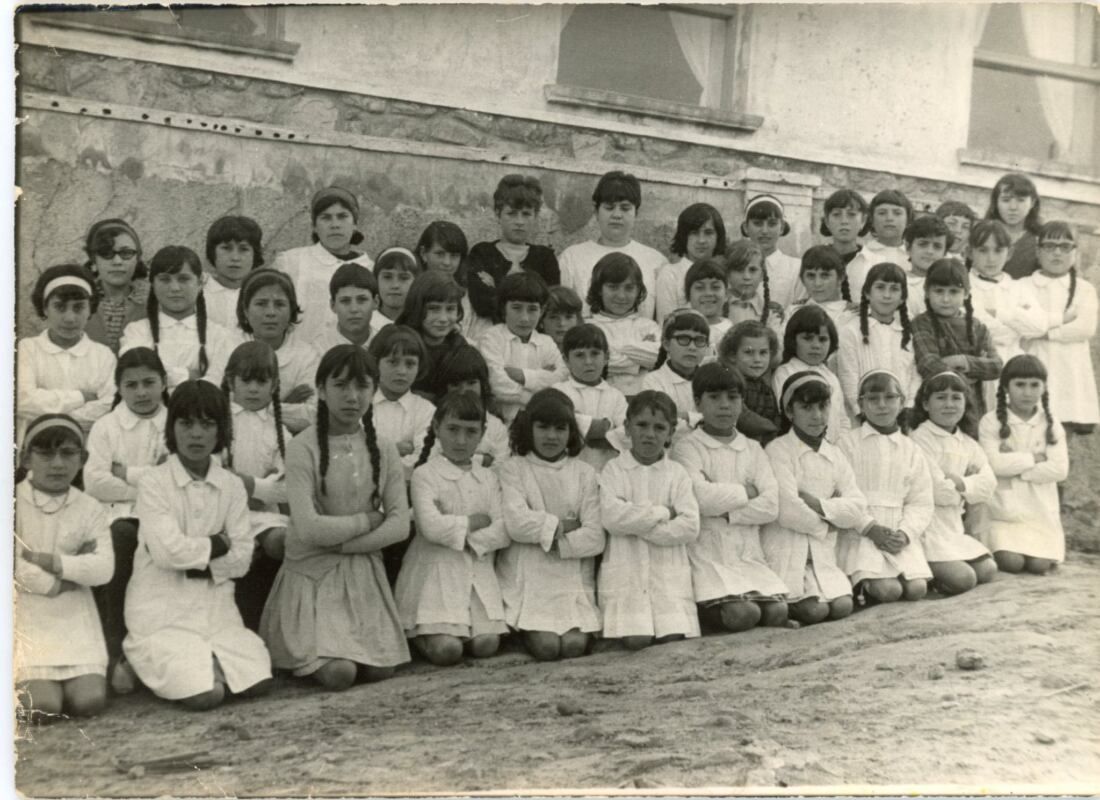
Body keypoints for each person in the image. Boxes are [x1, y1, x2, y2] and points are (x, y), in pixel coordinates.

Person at [260, 346, 411, 690]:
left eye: (362, 387)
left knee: (379, 671)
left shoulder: (383, 448)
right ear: (322, 389)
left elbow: (400, 524)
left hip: (362, 576)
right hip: (314, 576)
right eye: (341, 385)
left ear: (374, 391)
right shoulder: (302, 446)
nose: (352, 396)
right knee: (340, 673)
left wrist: (344, 547)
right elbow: (309, 528)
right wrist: (368, 521)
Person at [124, 381, 273, 710]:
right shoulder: (153, 482)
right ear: (172, 427)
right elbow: (166, 554)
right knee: (209, 694)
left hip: (216, 610)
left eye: (207, 425)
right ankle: (136, 661)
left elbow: (243, 558)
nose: (196, 434)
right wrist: (219, 543)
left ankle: (209, 663)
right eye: (186, 423)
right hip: (162, 610)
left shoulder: (232, 485)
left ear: (220, 431)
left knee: (258, 680)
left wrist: (198, 560)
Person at [670, 363, 788, 632]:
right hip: (708, 551)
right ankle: (707, 612)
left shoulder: (752, 448)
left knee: (778, 611)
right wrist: (746, 492)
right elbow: (699, 499)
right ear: (698, 402)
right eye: (714, 398)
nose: (724, 406)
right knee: (742, 615)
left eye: (733, 398)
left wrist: (728, 511)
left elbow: (770, 505)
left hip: (745, 549)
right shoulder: (687, 447)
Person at [396, 390, 511, 666]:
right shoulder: (425, 474)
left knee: (486, 644)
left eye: (471, 432)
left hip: (475, 569)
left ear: (482, 433)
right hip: (436, 573)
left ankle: (469, 628)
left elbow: (503, 529)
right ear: (436, 427)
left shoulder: (488, 478)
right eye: (453, 430)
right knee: (448, 651)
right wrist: (471, 522)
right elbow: (431, 527)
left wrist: (469, 539)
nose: (461, 440)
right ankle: (421, 635)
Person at [15, 414, 114, 721]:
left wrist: (52, 561)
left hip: (75, 615)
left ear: (82, 459)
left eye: (68, 453)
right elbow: (13, 568)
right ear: (27, 458)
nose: (57, 464)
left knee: (89, 702)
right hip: (26, 615)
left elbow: (103, 569)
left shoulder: (90, 508)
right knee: (44, 706)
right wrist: (63, 578)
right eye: (46, 454)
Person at [84, 348, 171, 693]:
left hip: (170, 515)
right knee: (123, 537)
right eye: (131, 385)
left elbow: (181, 475)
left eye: (149, 383)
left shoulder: (176, 420)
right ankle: (116, 643)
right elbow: (95, 482)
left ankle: (162, 652)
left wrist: (130, 475)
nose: (141, 392)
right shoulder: (107, 427)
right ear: (119, 388)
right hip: (120, 516)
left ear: (164, 382)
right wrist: (153, 482)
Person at [498, 389, 604, 660]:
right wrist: (566, 525)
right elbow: (517, 524)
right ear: (529, 428)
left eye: (560, 428)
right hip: (529, 571)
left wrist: (548, 535)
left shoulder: (584, 473)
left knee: (573, 646)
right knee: (548, 648)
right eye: (542, 427)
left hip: (570, 572)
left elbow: (594, 536)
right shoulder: (513, 469)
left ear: (571, 432)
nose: (551, 436)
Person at [598, 390, 701, 650]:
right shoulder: (614, 470)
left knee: (672, 637)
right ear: (627, 427)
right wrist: (663, 513)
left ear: (670, 432)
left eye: (659, 427)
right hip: (627, 568)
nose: (650, 434)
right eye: (642, 425)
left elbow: (690, 526)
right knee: (637, 639)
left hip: (667, 571)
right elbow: (612, 518)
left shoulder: (676, 473)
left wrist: (636, 524)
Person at [761, 373, 865, 625]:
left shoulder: (835, 454)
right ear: (789, 411)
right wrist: (828, 522)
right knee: (815, 611)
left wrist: (817, 503)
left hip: (822, 549)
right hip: (788, 545)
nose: (816, 415)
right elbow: (787, 508)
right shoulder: (778, 450)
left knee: (842, 606)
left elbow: (857, 507)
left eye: (822, 406)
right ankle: (788, 610)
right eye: (806, 407)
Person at [835, 370, 933, 605]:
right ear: (860, 403)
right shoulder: (847, 444)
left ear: (901, 402)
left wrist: (906, 533)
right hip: (862, 531)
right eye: (873, 399)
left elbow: (920, 500)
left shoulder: (911, 449)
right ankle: (863, 585)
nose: (882, 405)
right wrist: (870, 528)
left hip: (897, 530)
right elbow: (841, 495)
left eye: (889, 398)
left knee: (917, 588)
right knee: (889, 591)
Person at [220, 342, 291, 632]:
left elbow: (285, 487)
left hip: (264, 517)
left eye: (262, 382)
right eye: (245, 380)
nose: (253, 389)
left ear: (274, 385)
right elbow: (217, 475)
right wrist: (258, 486)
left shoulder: (279, 431)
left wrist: (247, 485)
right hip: (222, 514)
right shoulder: (219, 420)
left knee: (283, 541)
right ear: (230, 380)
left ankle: (276, 625)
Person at [909, 371, 999, 595]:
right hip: (928, 529)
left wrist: (959, 481)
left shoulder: (967, 442)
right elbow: (939, 493)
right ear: (925, 404)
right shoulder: (918, 440)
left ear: (965, 403)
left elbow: (989, 485)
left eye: (956, 398)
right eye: (941, 397)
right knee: (964, 579)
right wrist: (969, 486)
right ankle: (925, 571)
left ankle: (942, 571)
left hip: (953, 527)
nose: (949, 404)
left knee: (988, 569)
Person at [978, 355, 1068, 575]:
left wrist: (1016, 468)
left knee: (1039, 566)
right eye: (1020, 385)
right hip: (1003, 511)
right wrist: (1032, 458)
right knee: (1012, 563)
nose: (1027, 392)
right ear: (1006, 386)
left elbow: (1059, 470)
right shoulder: (991, 421)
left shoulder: (1051, 423)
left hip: (1040, 511)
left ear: (1044, 387)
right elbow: (994, 464)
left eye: (1034, 385)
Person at [18, 263, 116, 442]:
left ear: (90, 309)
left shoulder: (103, 356)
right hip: (36, 448)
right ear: (45, 308)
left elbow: (109, 405)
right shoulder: (27, 349)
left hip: (89, 450)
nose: (70, 318)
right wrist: (80, 397)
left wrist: (49, 415)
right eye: (60, 307)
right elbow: (21, 399)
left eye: (78, 307)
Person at [119, 245, 235, 391]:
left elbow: (217, 384)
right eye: (165, 280)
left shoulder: (220, 336)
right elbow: (136, 369)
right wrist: (187, 375)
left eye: (183, 279)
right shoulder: (136, 331)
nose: (174, 288)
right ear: (152, 284)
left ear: (200, 283)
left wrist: (165, 376)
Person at [1020, 221, 1099, 434]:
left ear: (1075, 252)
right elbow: (1023, 325)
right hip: (1034, 365)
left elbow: (1085, 328)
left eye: (1065, 247)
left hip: (1070, 372)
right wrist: (1058, 323)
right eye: (1049, 246)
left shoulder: (1084, 290)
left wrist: (1046, 331)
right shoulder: (1023, 286)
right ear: (1038, 251)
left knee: (1064, 436)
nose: (1057, 253)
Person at [911, 258, 1002, 436]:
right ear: (927, 292)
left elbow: (997, 366)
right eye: (939, 291)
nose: (945, 299)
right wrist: (968, 377)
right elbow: (929, 364)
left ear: (966, 294)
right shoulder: (922, 323)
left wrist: (963, 361)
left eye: (953, 292)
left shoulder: (977, 327)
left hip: (973, 408)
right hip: (935, 408)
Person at [273, 186, 373, 343]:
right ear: (314, 226)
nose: (335, 225)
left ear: (355, 224)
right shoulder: (291, 262)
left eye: (342, 217)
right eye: (326, 218)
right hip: (303, 359)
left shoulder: (370, 268)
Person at [967, 220, 1047, 414]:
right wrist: (1016, 324)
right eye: (983, 250)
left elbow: (1039, 326)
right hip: (977, 362)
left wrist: (1001, 313)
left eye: (998, 250)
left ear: (1009, 253)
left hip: (1012, 363)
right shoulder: (965, 285)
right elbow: (975, 326)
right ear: (969, 253)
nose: (991, 258)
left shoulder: (1019, 288)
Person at [559, 170, 663, 319]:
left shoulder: (655, 261)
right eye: (609, 207)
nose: (617, 215)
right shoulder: (571, 257)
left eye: (625, 208)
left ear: (636, 213)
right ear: (596, 211)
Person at [234, 268, 321, 434]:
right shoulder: (229, 346)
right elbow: (220, 406)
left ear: (291, 311)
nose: (271, 313)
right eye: (261, 304)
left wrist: (253, 405)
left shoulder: (306, 356)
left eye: (280, 304)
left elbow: (313, 415)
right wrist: (283, 403)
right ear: (245, 310)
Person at [466, 174, 560, 324]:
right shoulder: (483, 253)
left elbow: (548, 306)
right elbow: (481, 304)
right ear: (498, 214)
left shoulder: (545, 257)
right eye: (511, 214)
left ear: (535, 216)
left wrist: (497, 287)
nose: (519, 222)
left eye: (526, 214)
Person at [478, 271, 568, 423]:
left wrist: (523, 376)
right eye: (516, 308)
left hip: (540, 422)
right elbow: (496, 384)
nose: (525, 318)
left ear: (543, 310)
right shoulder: (491, 338)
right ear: (503, 307)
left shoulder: (546, 342)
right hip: (500, 421)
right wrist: (539, 391)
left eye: (532, 309)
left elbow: (561, 378)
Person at [836, 262, 919, 420]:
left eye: (894, 289)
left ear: (902, 298)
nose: (887, 295)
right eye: (880, 287)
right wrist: (860, 412)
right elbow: (848, 376)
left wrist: (908, 408)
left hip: (901, 419)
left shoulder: (907, 334)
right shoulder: (851, 331)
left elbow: (915, 375)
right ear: (867, 293)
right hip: (863, 418)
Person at [554, 323, 629, 472]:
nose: (588, 361)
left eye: (595, 353)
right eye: (579, 355)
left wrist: (589, 431)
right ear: (566, 360)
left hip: (607, 470)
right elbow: (562, 429)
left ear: (606, 357)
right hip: (568, 471)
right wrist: (602, 428)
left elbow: (627, 433)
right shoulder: (558, 392)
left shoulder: (616, 396)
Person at [771, 305, 849, 443]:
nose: (816, 345)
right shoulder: (785, 373)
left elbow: (842, 420)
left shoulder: (831, 376)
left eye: (822, 339)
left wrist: (841, 449)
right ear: (793, 340)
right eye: (807, 338)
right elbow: (786, 417)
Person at [587, 253, 661, 397]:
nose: (621, 296)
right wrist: (640, 356)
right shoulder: (588, 327)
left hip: (645, 400)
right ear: (599, 289)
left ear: (638, 290)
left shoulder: (649, 326)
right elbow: (592, 364)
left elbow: (659, 358)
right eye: (613, 287)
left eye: (629, 288)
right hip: (602, 400)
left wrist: (612, 350)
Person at [367, 324, 435, 480]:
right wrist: (393, 449)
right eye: (392, 362)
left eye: (410, 364)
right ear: (376, 363)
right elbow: (351, 454)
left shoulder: (425, 410)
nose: (402, 371)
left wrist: (376, 455)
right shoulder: (361, 404)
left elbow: (424, 460)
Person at [434, 345, 511, 468]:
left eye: (471, 383)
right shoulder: (435, 420)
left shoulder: (496, 427)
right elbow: (433, 460)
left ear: (483, 385)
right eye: (455, 384)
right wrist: (482, 460)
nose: (464, 390)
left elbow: (502, 467)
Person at [397, 271, 467, 402]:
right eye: (434, 309)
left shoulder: (459, 346)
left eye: (450, 309)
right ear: (417, 307)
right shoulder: (399, 344)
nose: (443, 319)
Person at [417, 220, 490, 343]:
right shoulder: (413, 291)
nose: (447, 262)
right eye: (440, 254)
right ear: (424, 253)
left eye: (454, 256)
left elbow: (483, 340)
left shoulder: (468, 297)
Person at [82, 219, 148, 353]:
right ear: (93, 259)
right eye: (106, 253)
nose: (117, 261)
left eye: (126, 253)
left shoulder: (152, 303)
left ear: (137, 258)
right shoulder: (80, 302)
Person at [655, 203, 726, 323]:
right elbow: (665, 323)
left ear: (718, 236)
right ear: (683, 236)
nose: (701, 240)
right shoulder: (670, 274)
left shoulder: (724, 272)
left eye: (708, 233)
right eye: (694, 233)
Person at [642, 308, 710, 434]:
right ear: (666, 344)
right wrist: (702, 419)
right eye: (683, 339)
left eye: (699, 340)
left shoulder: (713, 379)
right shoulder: (653, 381)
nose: (692, 347)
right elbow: (661, 424)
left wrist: (685, 417)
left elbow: (726, 420)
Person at [717, 321, 782, 445]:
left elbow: (773, 413)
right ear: (732, 356)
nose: (757, 360)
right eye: (748, 353)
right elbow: (742, 416)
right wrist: (774, 430)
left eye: (763, 353)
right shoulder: (728, 380)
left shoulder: (763, 384)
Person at [846, 189, 914, 301]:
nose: (889, 218)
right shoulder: (860, 258)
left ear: (908, 219)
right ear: (872, 219)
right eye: (882, 213)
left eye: (897, 213)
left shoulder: (916, 257)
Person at [740, 194, 803, 310]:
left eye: (772, 224)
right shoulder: (736, 266)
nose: (764, 231)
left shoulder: (796, 268)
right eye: (757, 223)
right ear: (745, 228)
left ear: (782, 227)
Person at [203, 215, 264, 329]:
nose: (235, 258)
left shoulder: (262, 296)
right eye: (226, 248)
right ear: (212, 252)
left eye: (244, 249)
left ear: (254, 254)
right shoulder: (199, 293)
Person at [984, 173, 1043, 279]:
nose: (1013, 207)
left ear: (1033, 202)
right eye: (1005, 200)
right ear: (996, 202)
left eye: (1021, 200)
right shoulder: (982, 234)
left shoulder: (1039, 239)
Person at [314, 262, 379, 355]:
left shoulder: (386, 345)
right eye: (345, 301)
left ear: (375, 302)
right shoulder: (318, 350)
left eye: (362, 299)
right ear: (333, 305)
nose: (354, 309)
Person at [725, 239, 783, 334]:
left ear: (762, 274)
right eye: (739, 270)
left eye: (752, 270)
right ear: (727, 273)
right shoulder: (717, 306)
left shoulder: (770, 312)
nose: (746, 277)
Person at [900, 215, 953, 318]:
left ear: (945, 253)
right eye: (923, 244)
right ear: (908, 247)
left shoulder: (951, 285)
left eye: (937, 246)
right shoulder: (899, 283)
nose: (929, 251)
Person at [684, 257, 733, 358]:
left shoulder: (731, 331)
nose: (708, 293)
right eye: (700, 288)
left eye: (715, 287)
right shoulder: (681, 329)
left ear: (727, 294)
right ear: (688, 294)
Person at [372, 246, 421, 330]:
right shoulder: (367, 325)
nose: (395, 285)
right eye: (387, 277)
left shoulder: (422, 325)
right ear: (376, 280)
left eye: (404, 278)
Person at [819, 189, 869, 266]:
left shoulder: (875, 262)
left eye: (851, 214)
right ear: (827, 222)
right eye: (836, 214)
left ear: (863, 221)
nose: (844, 221)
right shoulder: (814, 259)